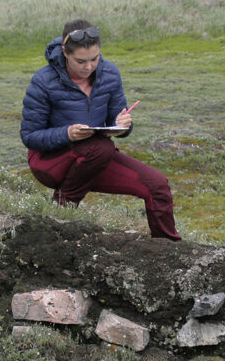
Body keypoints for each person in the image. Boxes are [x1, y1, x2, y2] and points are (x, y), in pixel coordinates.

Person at [21, 20, 181, 241]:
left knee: (158, 186)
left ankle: (169, 248)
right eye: (81, 61)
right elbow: (30, 136)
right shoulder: (43, 81)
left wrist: (123, 125)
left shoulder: (110, 74)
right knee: (101, 148)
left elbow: (117, 123)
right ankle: (62, 208)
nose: (89, 67)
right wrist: (67, 134)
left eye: (94, 59)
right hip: (49, 161)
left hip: (95, 156)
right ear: (65, 53)